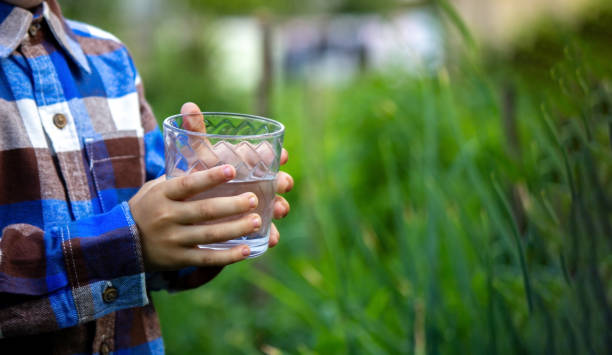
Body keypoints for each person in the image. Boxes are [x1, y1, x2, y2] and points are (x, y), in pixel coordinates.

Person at [0, 0, 293, 353]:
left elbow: (157, 249)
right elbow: (133, 237)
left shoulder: (110, 58)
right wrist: (124, 242)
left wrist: (204, 208)